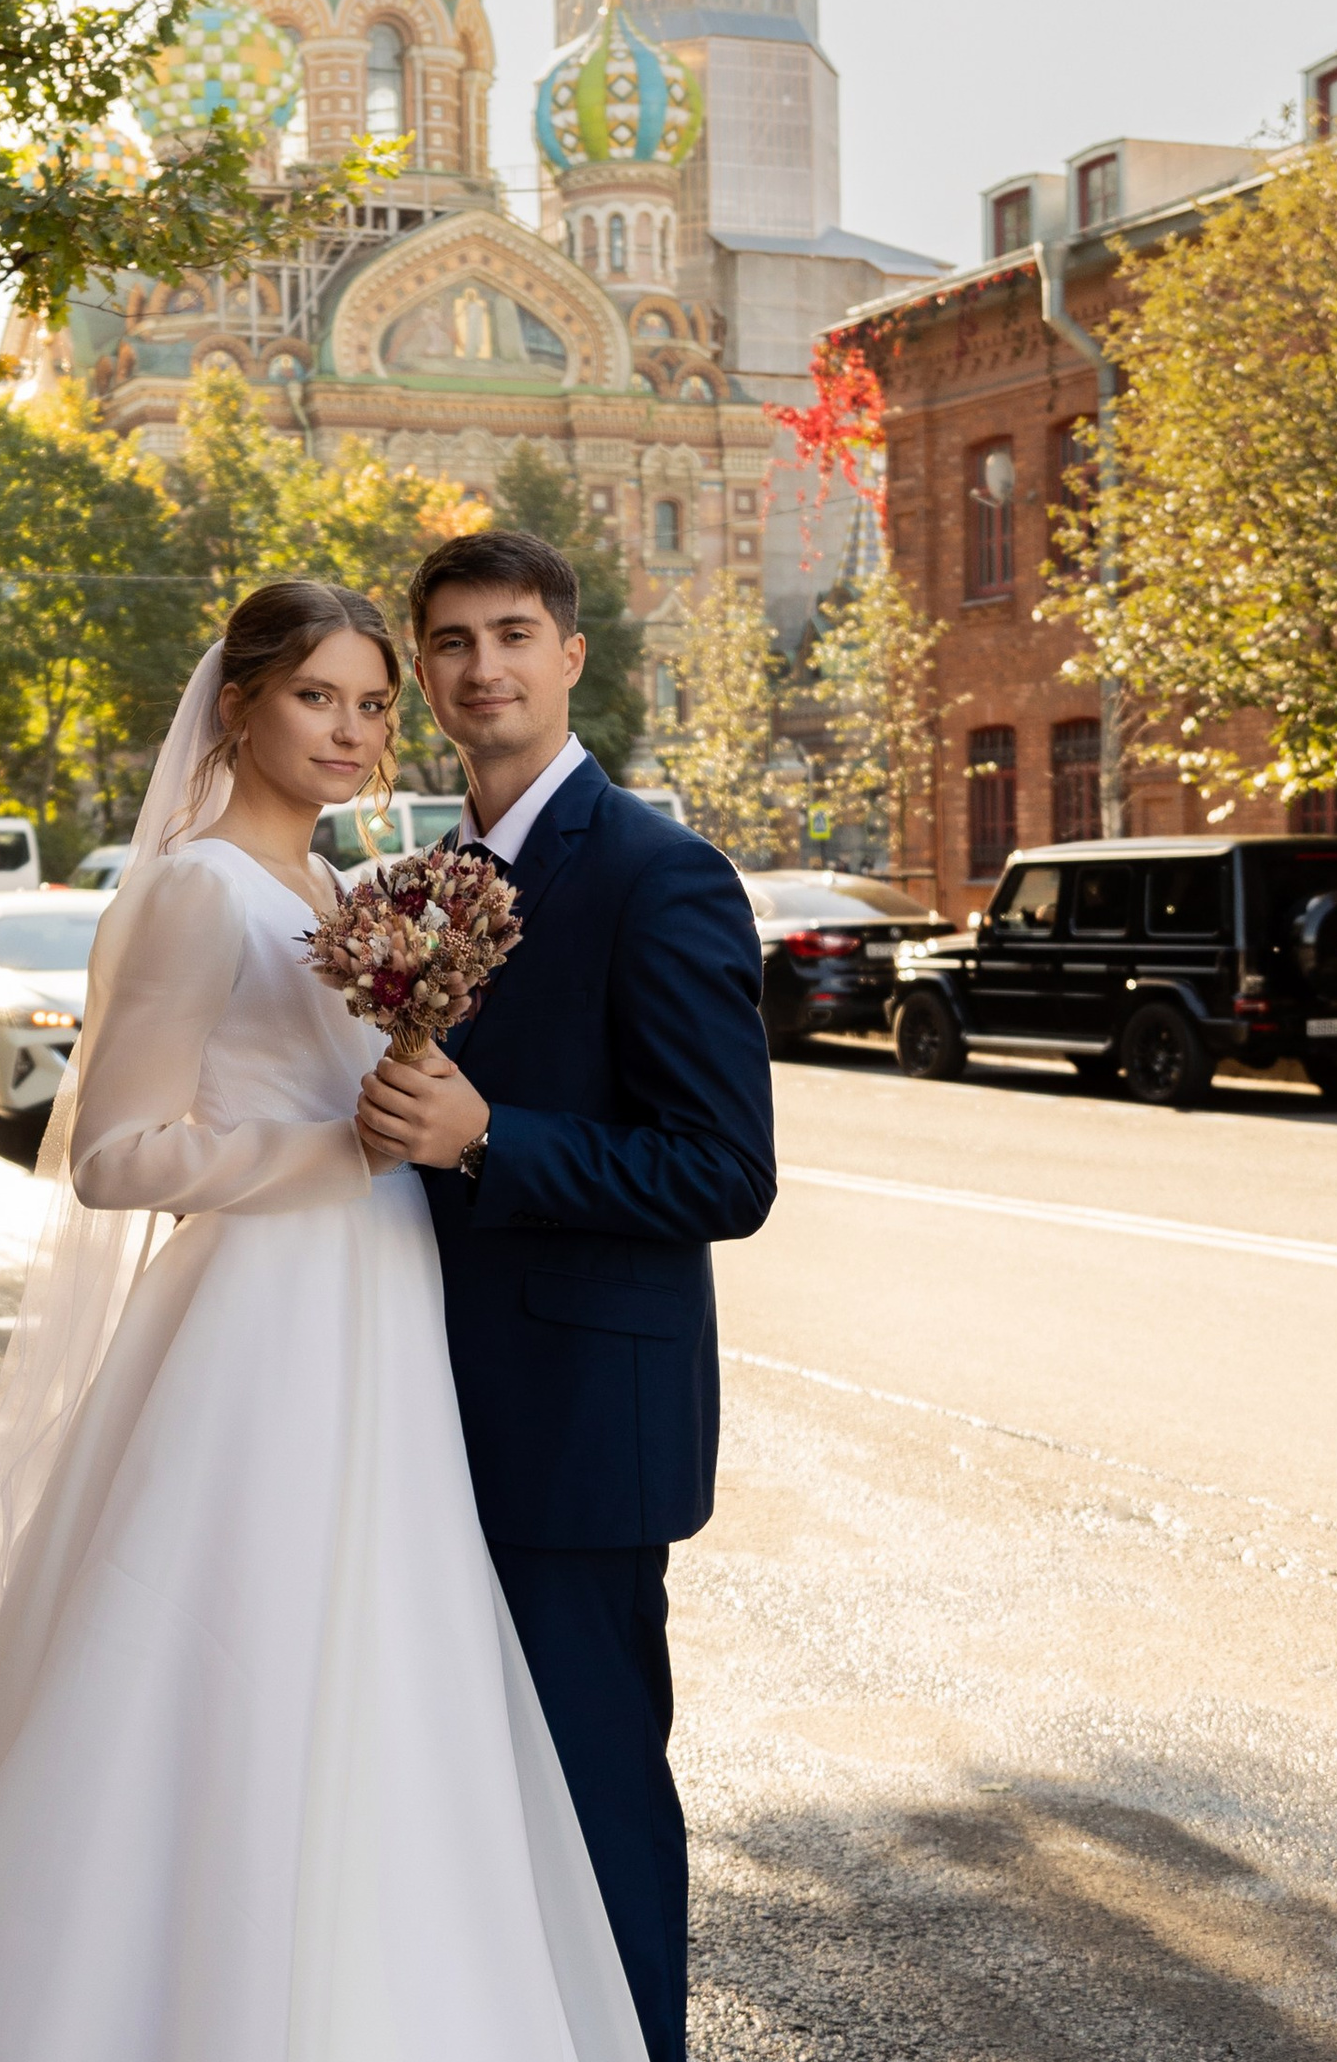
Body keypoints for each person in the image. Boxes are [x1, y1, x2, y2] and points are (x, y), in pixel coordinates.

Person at [0, 581, 648, 2062]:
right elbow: (114, 1156)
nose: (353, 730)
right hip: (260, 1329)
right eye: (317, 699)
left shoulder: (330, 896)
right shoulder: (189, 887)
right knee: (232, 1657)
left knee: (379, 1660)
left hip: (379, 1317)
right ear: (239, 708)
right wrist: (335, 1151)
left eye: (370, 702)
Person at [355, 527, 778, 2062]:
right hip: (410, 1408)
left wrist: (494, 1142)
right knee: (454, 1810)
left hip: (580, 1438)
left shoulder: (662, 875)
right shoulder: (415, 883)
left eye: (514, 636)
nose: (485, 670)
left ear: (572, 655)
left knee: (591, 1804)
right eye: (454, 644)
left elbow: (725, 1172)